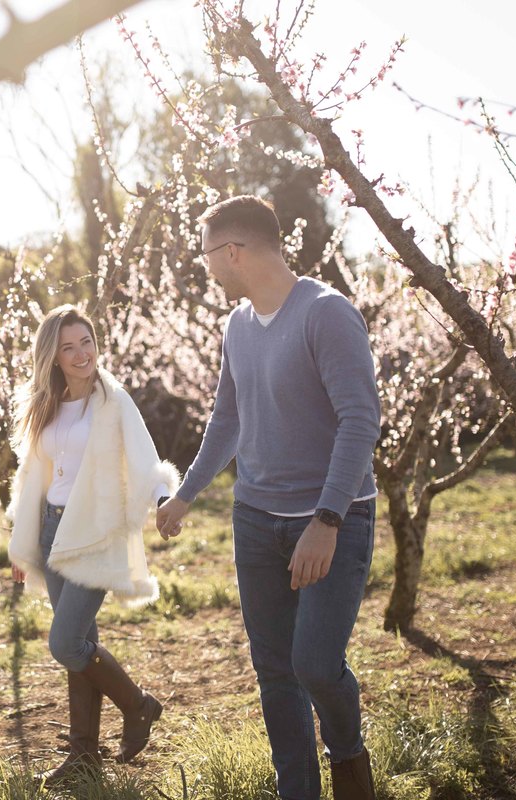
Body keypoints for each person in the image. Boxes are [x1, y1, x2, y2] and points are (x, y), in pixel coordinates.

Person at [157, 196, 381, 800]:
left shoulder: (326, 314)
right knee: (276, 673)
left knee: (313, 664)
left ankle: (351, 768)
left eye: (206, 254)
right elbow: (227, 419)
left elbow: (361, 419)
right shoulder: (237, 325)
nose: (204, 267)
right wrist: (186, 493)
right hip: (256, 522)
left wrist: (328, 519)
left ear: (233, 251)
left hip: (331, 518)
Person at [7, 304, 179, 784]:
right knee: (80, 642)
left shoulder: (113, 400)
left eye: (87, 342)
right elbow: (32, 477)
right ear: (53, 357)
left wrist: (165, 499)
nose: (82, 353)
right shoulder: (46, 405)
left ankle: (138, 705)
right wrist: (21, 543)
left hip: (95, 532)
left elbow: (147, 458)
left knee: (65, 643)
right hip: (50, 531)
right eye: (69, 347)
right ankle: (84, 755)